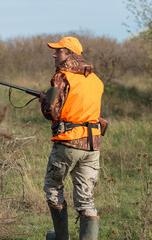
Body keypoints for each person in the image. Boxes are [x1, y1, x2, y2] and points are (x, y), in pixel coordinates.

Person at [40, 37, 104, 240]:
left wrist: (44, 101)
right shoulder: (95, 79)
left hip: (68, 143)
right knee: (86, 199)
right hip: (92, 146)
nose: (54, 54)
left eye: (58, 51)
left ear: (69, 54)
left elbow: (52, 113)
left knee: (53, 186)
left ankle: (61, 238)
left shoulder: (62, 76)